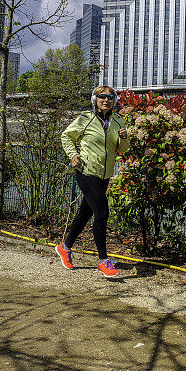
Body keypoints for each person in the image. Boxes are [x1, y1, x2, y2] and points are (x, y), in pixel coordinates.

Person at [56, 85, 130, 278]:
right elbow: (66, 136)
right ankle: (102, 260)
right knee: (102, 213)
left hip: (104, 175)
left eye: (110, 97)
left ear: (115, 100)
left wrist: (124, 138)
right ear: (95, 100)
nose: (106, 100)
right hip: (86, 171)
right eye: (102, 97)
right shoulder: (85, 119)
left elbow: (122, 149)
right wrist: (73, 155)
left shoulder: (118, 121)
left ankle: (65, 247)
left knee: (85, 213)